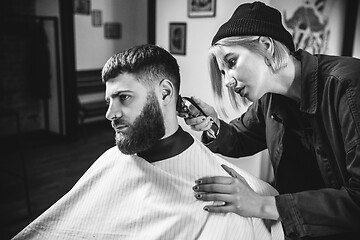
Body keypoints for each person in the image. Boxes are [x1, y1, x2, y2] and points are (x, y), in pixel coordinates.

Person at [13, 44, 284, 239]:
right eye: (109, 100)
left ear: (165, 93)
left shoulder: (218, 194)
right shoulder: (112, 161)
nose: (110, 114)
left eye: (125, 98)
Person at [185, 1, 360, 240]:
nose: (227, 81)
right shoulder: (270, 100)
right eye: (222, 71)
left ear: (266, 46)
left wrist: (263, 205)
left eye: (231, 62)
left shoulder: (349, 84)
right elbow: (239, 138)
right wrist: (212, 125)